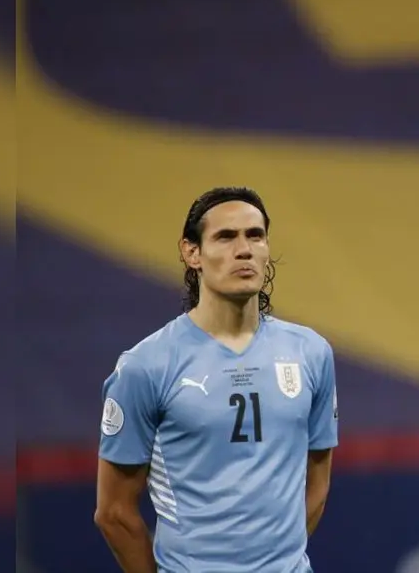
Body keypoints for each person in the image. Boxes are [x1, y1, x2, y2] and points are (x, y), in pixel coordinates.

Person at [93, 187, 338, 573]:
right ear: (192, 253)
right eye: (226, 237)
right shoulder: (146, 366)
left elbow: (318, 485)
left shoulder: (311, 353)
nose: (244, 249)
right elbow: (114, 513)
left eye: (255, 235)